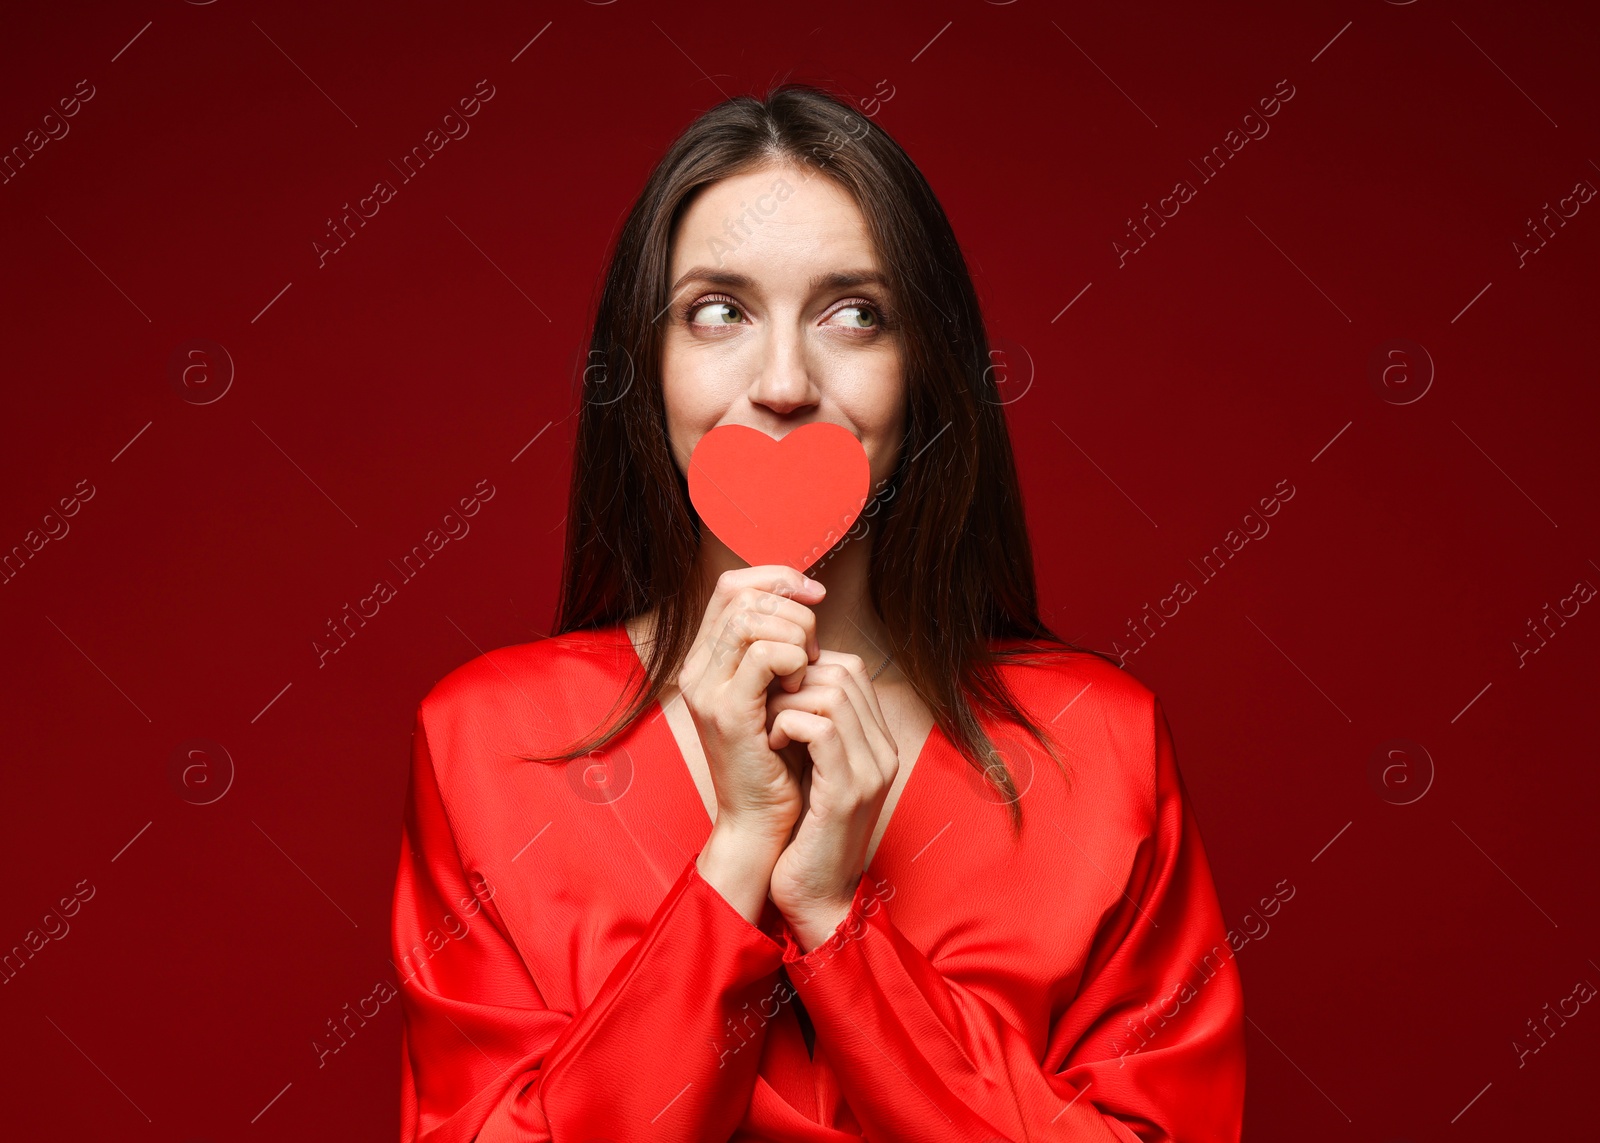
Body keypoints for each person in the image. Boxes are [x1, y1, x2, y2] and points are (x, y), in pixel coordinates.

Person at [391, 84, 1245, 1142]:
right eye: (718, 311)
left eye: (855, 314)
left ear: (927, 369)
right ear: (644, 368)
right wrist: (738, 854)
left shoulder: (1099, 747)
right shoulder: (487, 741)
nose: (785, 381)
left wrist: (840, 921)